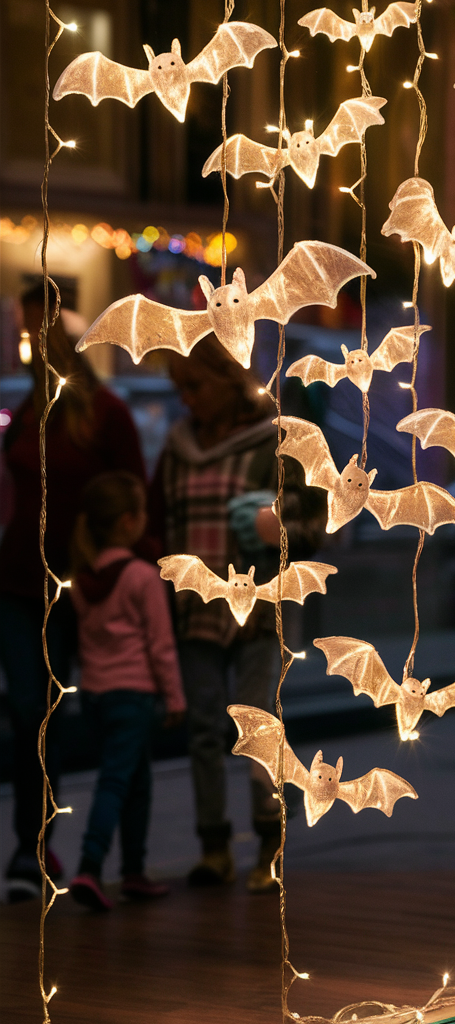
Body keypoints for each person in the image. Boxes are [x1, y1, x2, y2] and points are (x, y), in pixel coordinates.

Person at [150, 334, 326, 892]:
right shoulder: (178, 449)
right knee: (203, 728)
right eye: (180, 389)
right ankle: (214, 847)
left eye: (195, 386)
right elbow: (162, 527)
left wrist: (278, 532)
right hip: (194, 608)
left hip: (259, 608)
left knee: (257, 728)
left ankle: (269, 846)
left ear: (228, 380)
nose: (187, 400)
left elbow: (313, 532)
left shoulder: (275, 445)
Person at [0, 284, 146, 902]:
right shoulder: (29, 410)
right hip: (19, 584)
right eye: (30, 331)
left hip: (86, 590)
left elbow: (134, 499)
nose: (37, 343)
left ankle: (121, 859)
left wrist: (126, 580)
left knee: (118, 712)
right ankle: (30, 850)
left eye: (44, 329)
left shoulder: (105, 413)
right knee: (32, 714)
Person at [69, 471, 186, 911]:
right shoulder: (141, 576)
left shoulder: (81, 579)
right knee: (118, 782)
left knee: (136, 782)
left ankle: (134, 872)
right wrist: (174, 698)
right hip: (134, 696)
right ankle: (89, 866)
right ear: (127, 522)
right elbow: (160, 644)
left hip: (98, 698)